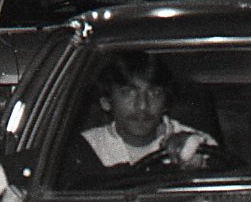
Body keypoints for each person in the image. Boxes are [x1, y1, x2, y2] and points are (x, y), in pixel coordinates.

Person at [63, 52, 218, 184]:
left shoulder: (200, 145)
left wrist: (198, 167)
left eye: (154, 93)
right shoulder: (84, 151)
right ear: (106, 102)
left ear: (166, 102)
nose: (143, 105)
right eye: (128, 93)